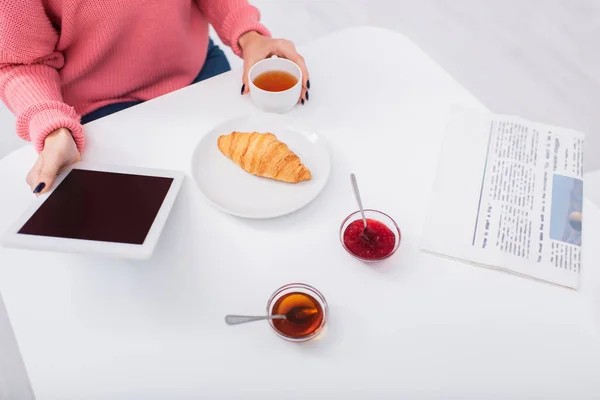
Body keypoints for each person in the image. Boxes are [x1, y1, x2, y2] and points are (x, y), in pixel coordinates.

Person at [0, 1, 310, 194]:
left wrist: (248, 34)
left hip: (196, 69)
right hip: (100, 109)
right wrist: (52, 127)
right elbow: (19, 62)